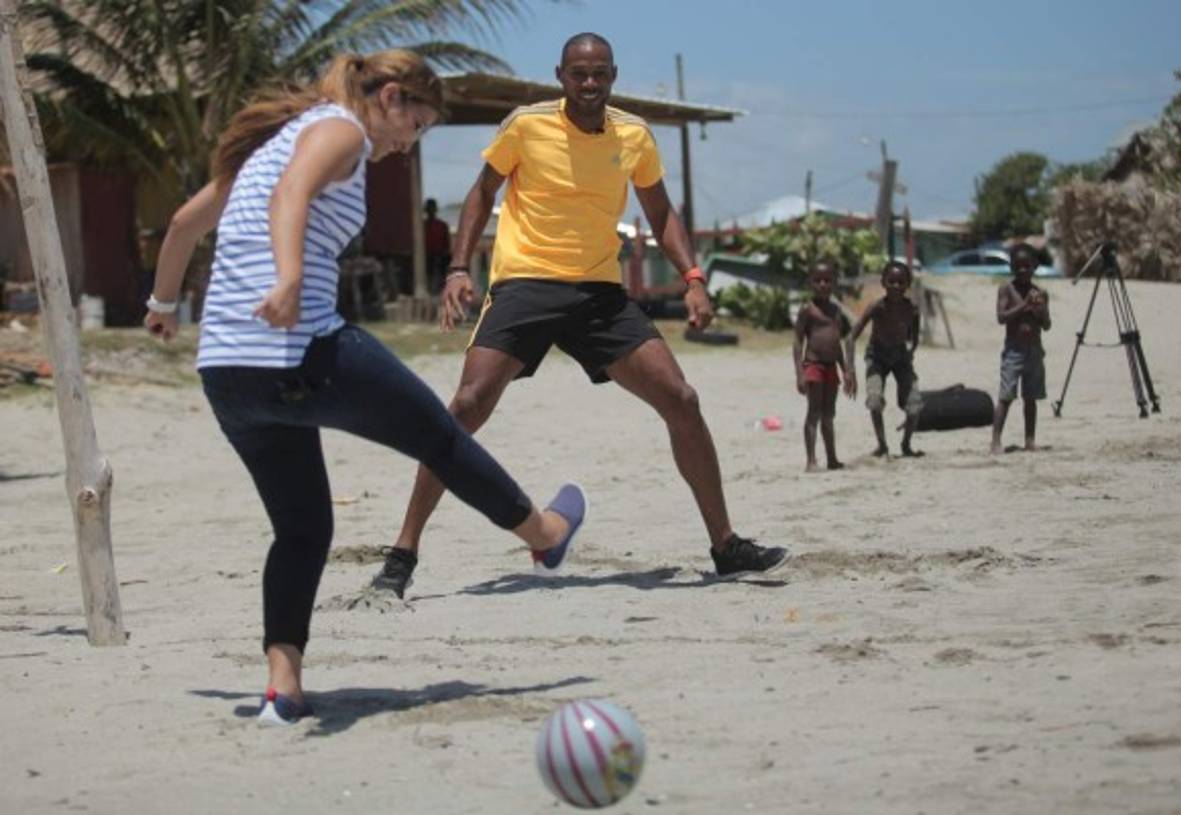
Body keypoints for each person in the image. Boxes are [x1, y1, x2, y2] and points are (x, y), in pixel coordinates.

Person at [143, 50, 586, 727]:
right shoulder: (340, 129)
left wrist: (163, 304)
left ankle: (283, 688)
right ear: (389, 96)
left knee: (302, 527)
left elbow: (182, 225)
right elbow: (292, 195)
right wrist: (289, 277)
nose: (410, 144)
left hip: (227, 372)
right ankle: (544, 533)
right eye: (417, 125)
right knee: (439, 435)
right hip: (301, 350)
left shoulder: (272, 146)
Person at [371, 32, 788, 597]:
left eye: (599, 74)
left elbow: (660, 212)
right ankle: (402, 555)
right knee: (466, 406)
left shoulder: (633, 135)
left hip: (598, 293)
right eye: (578, 74)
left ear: (612, 76)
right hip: (524, 284)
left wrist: (693, 278)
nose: (589, 83)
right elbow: (482, 193)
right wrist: (459, 269)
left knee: (682, 400)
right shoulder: (526, 125)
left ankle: (726, 545)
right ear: (560, 76)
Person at [844, 260, 924, 458]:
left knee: (914, 403)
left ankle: (906, 444)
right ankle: (882, 445)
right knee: (874, 400)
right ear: (883, 283)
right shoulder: (877, 307)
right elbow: (851, 337)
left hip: (900, 356)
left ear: (908, 284)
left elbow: (914, 337)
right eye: (891, 282)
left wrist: (910, 352)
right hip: (877, 356)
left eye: (901, 282)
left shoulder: (911, 309)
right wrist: (850, 368)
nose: (896, 286)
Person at [991, 243, 1051, 454]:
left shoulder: (1040, 292)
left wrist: (1039, 310)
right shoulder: (1006, 289)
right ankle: (996, 440)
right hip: (1013, 351)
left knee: (1031, 398)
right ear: (1011, 267)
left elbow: (1046, 325)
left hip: (1034, 350)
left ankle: (1030, 440)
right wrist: (1024, 305)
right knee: (1006, 396)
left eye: (1027, 266)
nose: (1022, 270)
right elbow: (1001, 317)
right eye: (1018, 266)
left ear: (1035, 267)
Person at [793, 262, 849, 472]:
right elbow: (798, 341)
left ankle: (832, 458)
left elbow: (837, 343)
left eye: (827, 280)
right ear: (810, 283)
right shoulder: (808, 310)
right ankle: (811, 460)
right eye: (818, 280)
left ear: (834, 283)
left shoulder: (836, 310)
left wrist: (845, 369)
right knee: (814, 412)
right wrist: (799, 373)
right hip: (814, 365)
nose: (823, 284)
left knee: (829, 414)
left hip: (831, 367)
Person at [423, 198, 452, 291]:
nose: (431, 211)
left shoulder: (442, 225)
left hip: (440, 256)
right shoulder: (422, 226)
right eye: (429, 208)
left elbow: (447, 244)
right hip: (426, 257)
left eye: (432, 208)